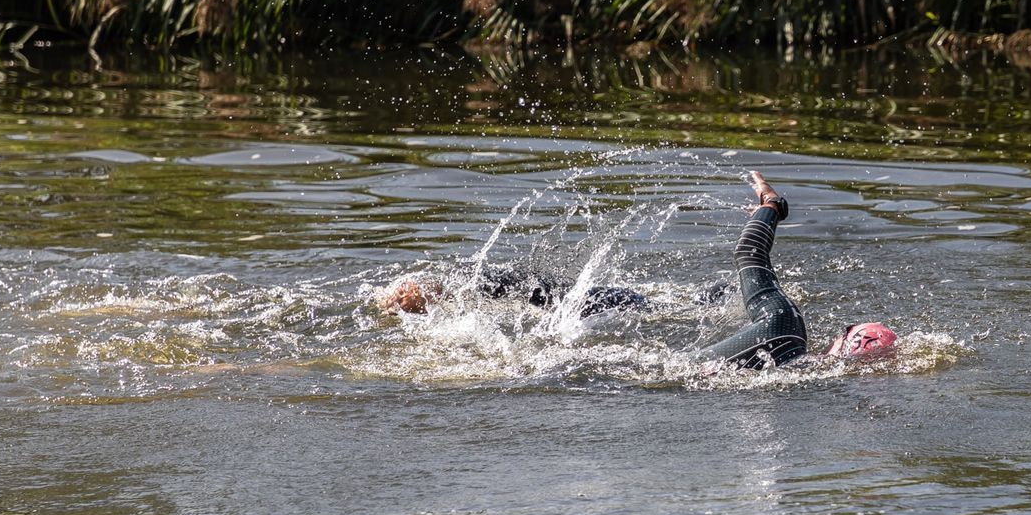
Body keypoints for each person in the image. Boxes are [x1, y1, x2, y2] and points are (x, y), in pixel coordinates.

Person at [379, 171, 900, 368]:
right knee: (613, 345)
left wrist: (770, 206)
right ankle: (448, 294)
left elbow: (750, 257)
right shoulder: (810, 378)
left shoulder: (784, 323)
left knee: (586, 303)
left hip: (689, 344)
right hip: (674, 353)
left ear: (843, 334)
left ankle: (444, 290)